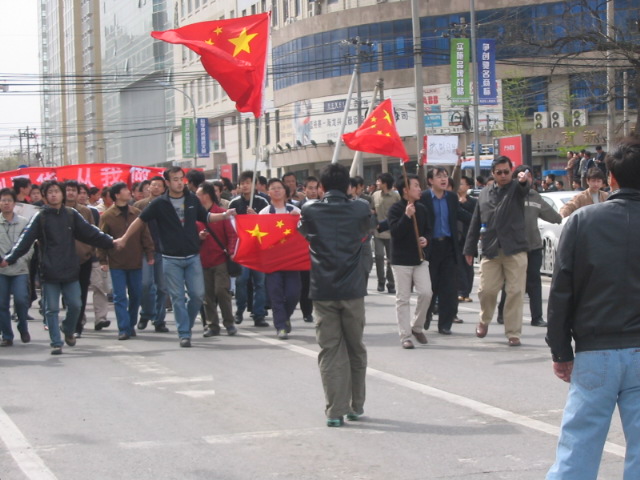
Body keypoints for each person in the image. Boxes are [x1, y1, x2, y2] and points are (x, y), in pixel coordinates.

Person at [545, 138, 640, 479]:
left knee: (578, 451)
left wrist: (560, 350)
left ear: (611, 179)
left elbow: (561, 292)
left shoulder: (583, 222)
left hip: (595, 351)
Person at [114, 167, 235, 348]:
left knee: (197, 295)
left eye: (181, 179)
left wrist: (224, 215)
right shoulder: (159, 204)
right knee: (178, 297)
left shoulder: (192, 199)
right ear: (167, 183)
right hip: (171, 259)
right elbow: (139, 221)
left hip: (193, 256)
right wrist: (124, 238)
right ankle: (184, 333)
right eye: (175, 179)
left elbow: (207, 217)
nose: (179, 182)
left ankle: (185, 321)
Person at [0, 181, 116, 355]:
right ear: (45, 196)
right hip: (49, 270)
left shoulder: (71, 215)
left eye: (56, 191)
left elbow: (91, 232)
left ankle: (68, 329)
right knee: (51, 309)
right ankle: (56, 342)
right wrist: (9, 258)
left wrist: (111, 242)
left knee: (76, 305)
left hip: (70, 268)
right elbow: (25, 241)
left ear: (62, 194)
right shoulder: (40, 217)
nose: (54, 194)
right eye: (50, 192)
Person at [298, 163, 370, 427]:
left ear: (323, 187)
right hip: (352, 288)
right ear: (348, 186)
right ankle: (356, 405)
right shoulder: (360, 208)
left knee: (329, 350)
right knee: (355, 348)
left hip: (323, 288)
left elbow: (303, 232)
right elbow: (366, 230)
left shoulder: (309, 209)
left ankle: (334, 411)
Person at [463, 156, 530, 347]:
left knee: (515, 292)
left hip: (515, 248)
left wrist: (523, 180)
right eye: (499, 172)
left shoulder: (517, 188)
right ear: (493, 173)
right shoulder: (484, 193)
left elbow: (525, 188)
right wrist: (469, 249)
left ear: (512, 172)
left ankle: (513, 333)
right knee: (486, 290)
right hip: (491, 248)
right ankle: (484, 320)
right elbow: (475, 221)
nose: (503, 175)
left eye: (506, 172)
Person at [496, 165, 562, 327]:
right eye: (523, 175)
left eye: (530, 175)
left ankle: (537, 317)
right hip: (514, 247)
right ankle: (502, 312)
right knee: (511, 283)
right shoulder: (510, 195)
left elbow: (552, 215)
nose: (527, 178)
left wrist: (562, 217)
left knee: (534, 282)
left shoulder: (535, 197)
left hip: (534, 246)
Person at [98, 183, 154, 340]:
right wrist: (103, 260)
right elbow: (101, 239)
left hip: (135, 261)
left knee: (136, 294)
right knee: (120, 296)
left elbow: (145, 235)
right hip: (117, 262)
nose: (128, 192)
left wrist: (150, 253)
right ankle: (123, 328)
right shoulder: (107, 216)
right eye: (124, 190)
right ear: (116, 195)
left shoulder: (136, 213)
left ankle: (131, 324)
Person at [419, 167, 470, 335]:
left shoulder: (452, 198)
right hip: (431, 247)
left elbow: (460, 215)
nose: (443, 179)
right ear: (430, 181)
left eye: (445, 176)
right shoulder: (424, 197)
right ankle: (425, 317)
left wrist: (481, 219)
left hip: (449, 246)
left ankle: (445, 323)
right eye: (439, 176)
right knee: (429, 287)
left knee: (449, 288)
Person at [387, 174, 431, 349]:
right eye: (416, 186)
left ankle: (417, 326)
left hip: (420, 258)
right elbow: (395, 233)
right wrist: (406, 216)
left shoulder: (423, 209)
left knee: (426, 293)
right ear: (405, 190)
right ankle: (405, 335)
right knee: (403, 298)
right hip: (401, 261)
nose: (420, 189)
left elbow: (428, 230)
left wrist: (426, 240)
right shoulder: (395, 209)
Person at [260, 178, 302, 339]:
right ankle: (281, 326)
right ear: (268, 192)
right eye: (273, 188)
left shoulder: (295, 210)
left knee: (293, 293)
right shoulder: (265, 213)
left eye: (279, 188)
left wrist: (296, 220)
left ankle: (285, 317)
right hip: (273, 260)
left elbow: (304, 232)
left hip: (292, 259)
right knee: (275, 293)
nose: (276, 190)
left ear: (285, 191)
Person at [195, 182, 238, 337]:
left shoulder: (222, 213)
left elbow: (232, 235)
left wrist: (232, 252)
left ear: (206, 195)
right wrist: (198, 238)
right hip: (202, 261)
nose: (196, 197)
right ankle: (212, 325)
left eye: (198, 194)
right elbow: (190, 238)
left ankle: (229, 323)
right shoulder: (195, 216)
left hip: (220, 259)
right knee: (207, 296)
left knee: (222, 291)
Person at [228, 171, 270, 327]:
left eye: (248, 182)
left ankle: (259, 314)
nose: (245, 186)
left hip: (259, 250)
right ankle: (239, 310)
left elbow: (268, 224)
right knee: (241, 281)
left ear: (255, 185)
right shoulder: (234, 204)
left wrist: (256, 216)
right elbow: (230, 226)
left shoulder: (263, 202)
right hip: (243, 249)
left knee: (260, 283)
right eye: (242, 183)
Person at [134, 175, 170, 333]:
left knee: (162, 287)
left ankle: (159, 320)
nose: (155, 188)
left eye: (159, 186)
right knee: (145, 284)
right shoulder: (139, 205)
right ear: (148, 187)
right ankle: (146, 313)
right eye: (153, 185)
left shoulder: (169, 204)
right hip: (144, 251)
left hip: (164, 250)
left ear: (164, 188)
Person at [0, 188, 33, 346]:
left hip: (20, 269)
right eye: (3, 200)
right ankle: (7, 335)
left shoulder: (23, 222)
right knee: (2, 304)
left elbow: (30, 245)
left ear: (14, 203)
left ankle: (23, 326)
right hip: (1, 270)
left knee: (21, 300)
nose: (6, 203)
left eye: (9, 200)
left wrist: (24, 259)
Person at [372, 172, 399, 294]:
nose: (377, 183)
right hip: (378, 232)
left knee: (390, 259)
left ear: (385, 183)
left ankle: (391, 283)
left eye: (379, 181)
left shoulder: (395, 196)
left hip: (392, 232)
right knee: (378, 256)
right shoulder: (375, 195)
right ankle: (380, 281)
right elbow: (372, 211)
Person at [457, 176, 476, 304]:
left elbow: (474, 219)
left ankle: (466, 292)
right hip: (456, 237)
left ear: (468, 186)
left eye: (462, 184)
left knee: (468, 265)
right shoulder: (452, 200)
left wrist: (464, 204)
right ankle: (460, 292)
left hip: (469, 237)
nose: (460, 186)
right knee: (458, 266)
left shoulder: (473, 202)